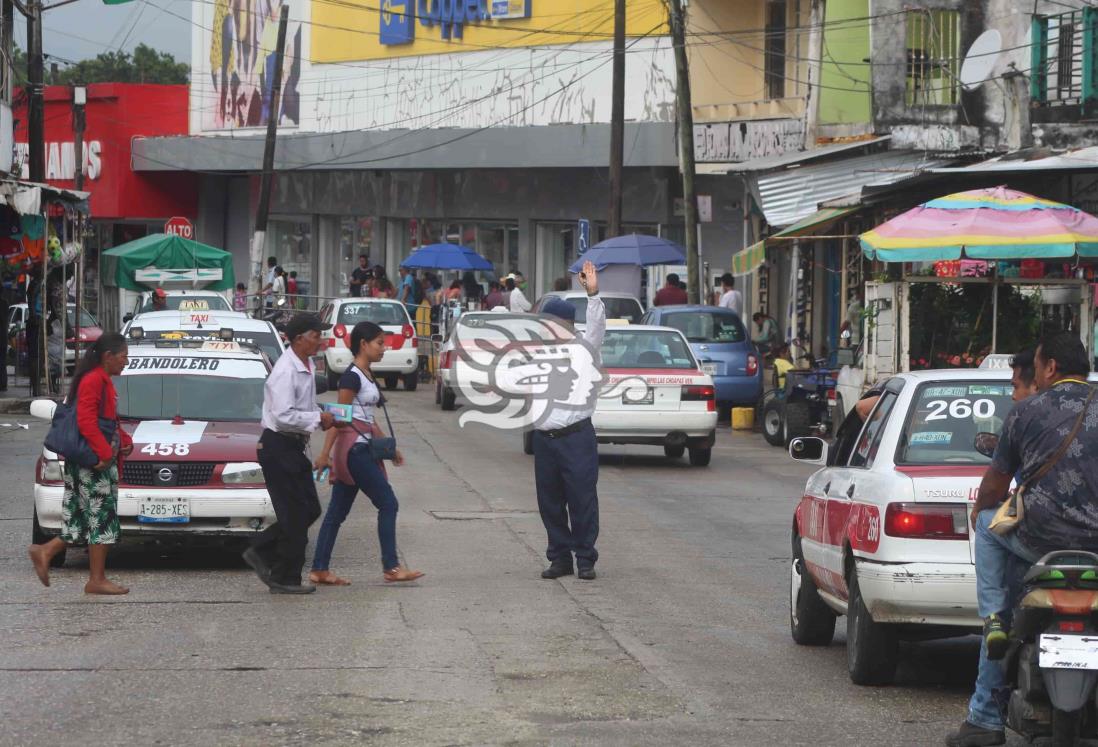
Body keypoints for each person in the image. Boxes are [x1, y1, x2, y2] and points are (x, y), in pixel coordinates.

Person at [948, 333, 1098, 747]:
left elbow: (995, 484)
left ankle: (993, 621)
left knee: (987, 529)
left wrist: (981, 507)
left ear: (1049, 368)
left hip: (1038, 543)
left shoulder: (1027, 411)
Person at [311, 321, 424, 585]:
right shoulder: (351, 377)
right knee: (388, 503)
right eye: (380, 343)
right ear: (363, 344)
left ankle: (319, 569)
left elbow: (369, 419)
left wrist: (389, 447)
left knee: (336, 513)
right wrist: (325, 454)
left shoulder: (367, 373)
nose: (384, 348)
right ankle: (391, 567)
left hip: (364, 447)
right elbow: (340, 417)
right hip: (354, 451)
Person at [28, 333, 133, 594]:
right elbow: (86, 421)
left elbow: (106, 420)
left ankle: (45, 550)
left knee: (78, 519)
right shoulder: (94, 380)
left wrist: (124, 440)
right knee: (101, 518)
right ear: (108, 357)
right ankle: (96, 579)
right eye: (123, 356)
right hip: (93, 463)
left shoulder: (100, 379)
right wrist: (103, 455)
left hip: (87, 460)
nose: (126, 361)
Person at [243, 314, 340, 595]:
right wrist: (317, 419)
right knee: (295, 514)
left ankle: (263, 553)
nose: (320, 340)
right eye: (315, 335)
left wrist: (322, 415)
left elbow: (302, 407)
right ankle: (284, 576)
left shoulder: (305, 365)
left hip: (292, 445)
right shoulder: (286, 370)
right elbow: (283, 416)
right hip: (278, 445)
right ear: (298, 338)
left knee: (309, 509)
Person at [530, 259, 604, 580]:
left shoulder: (584, 347)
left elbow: (597, 324)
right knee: (550, 502)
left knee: (581, 499)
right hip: (545, 440)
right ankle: (560, 558)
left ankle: (585, 558)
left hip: (576, 438)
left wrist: (592, 294)